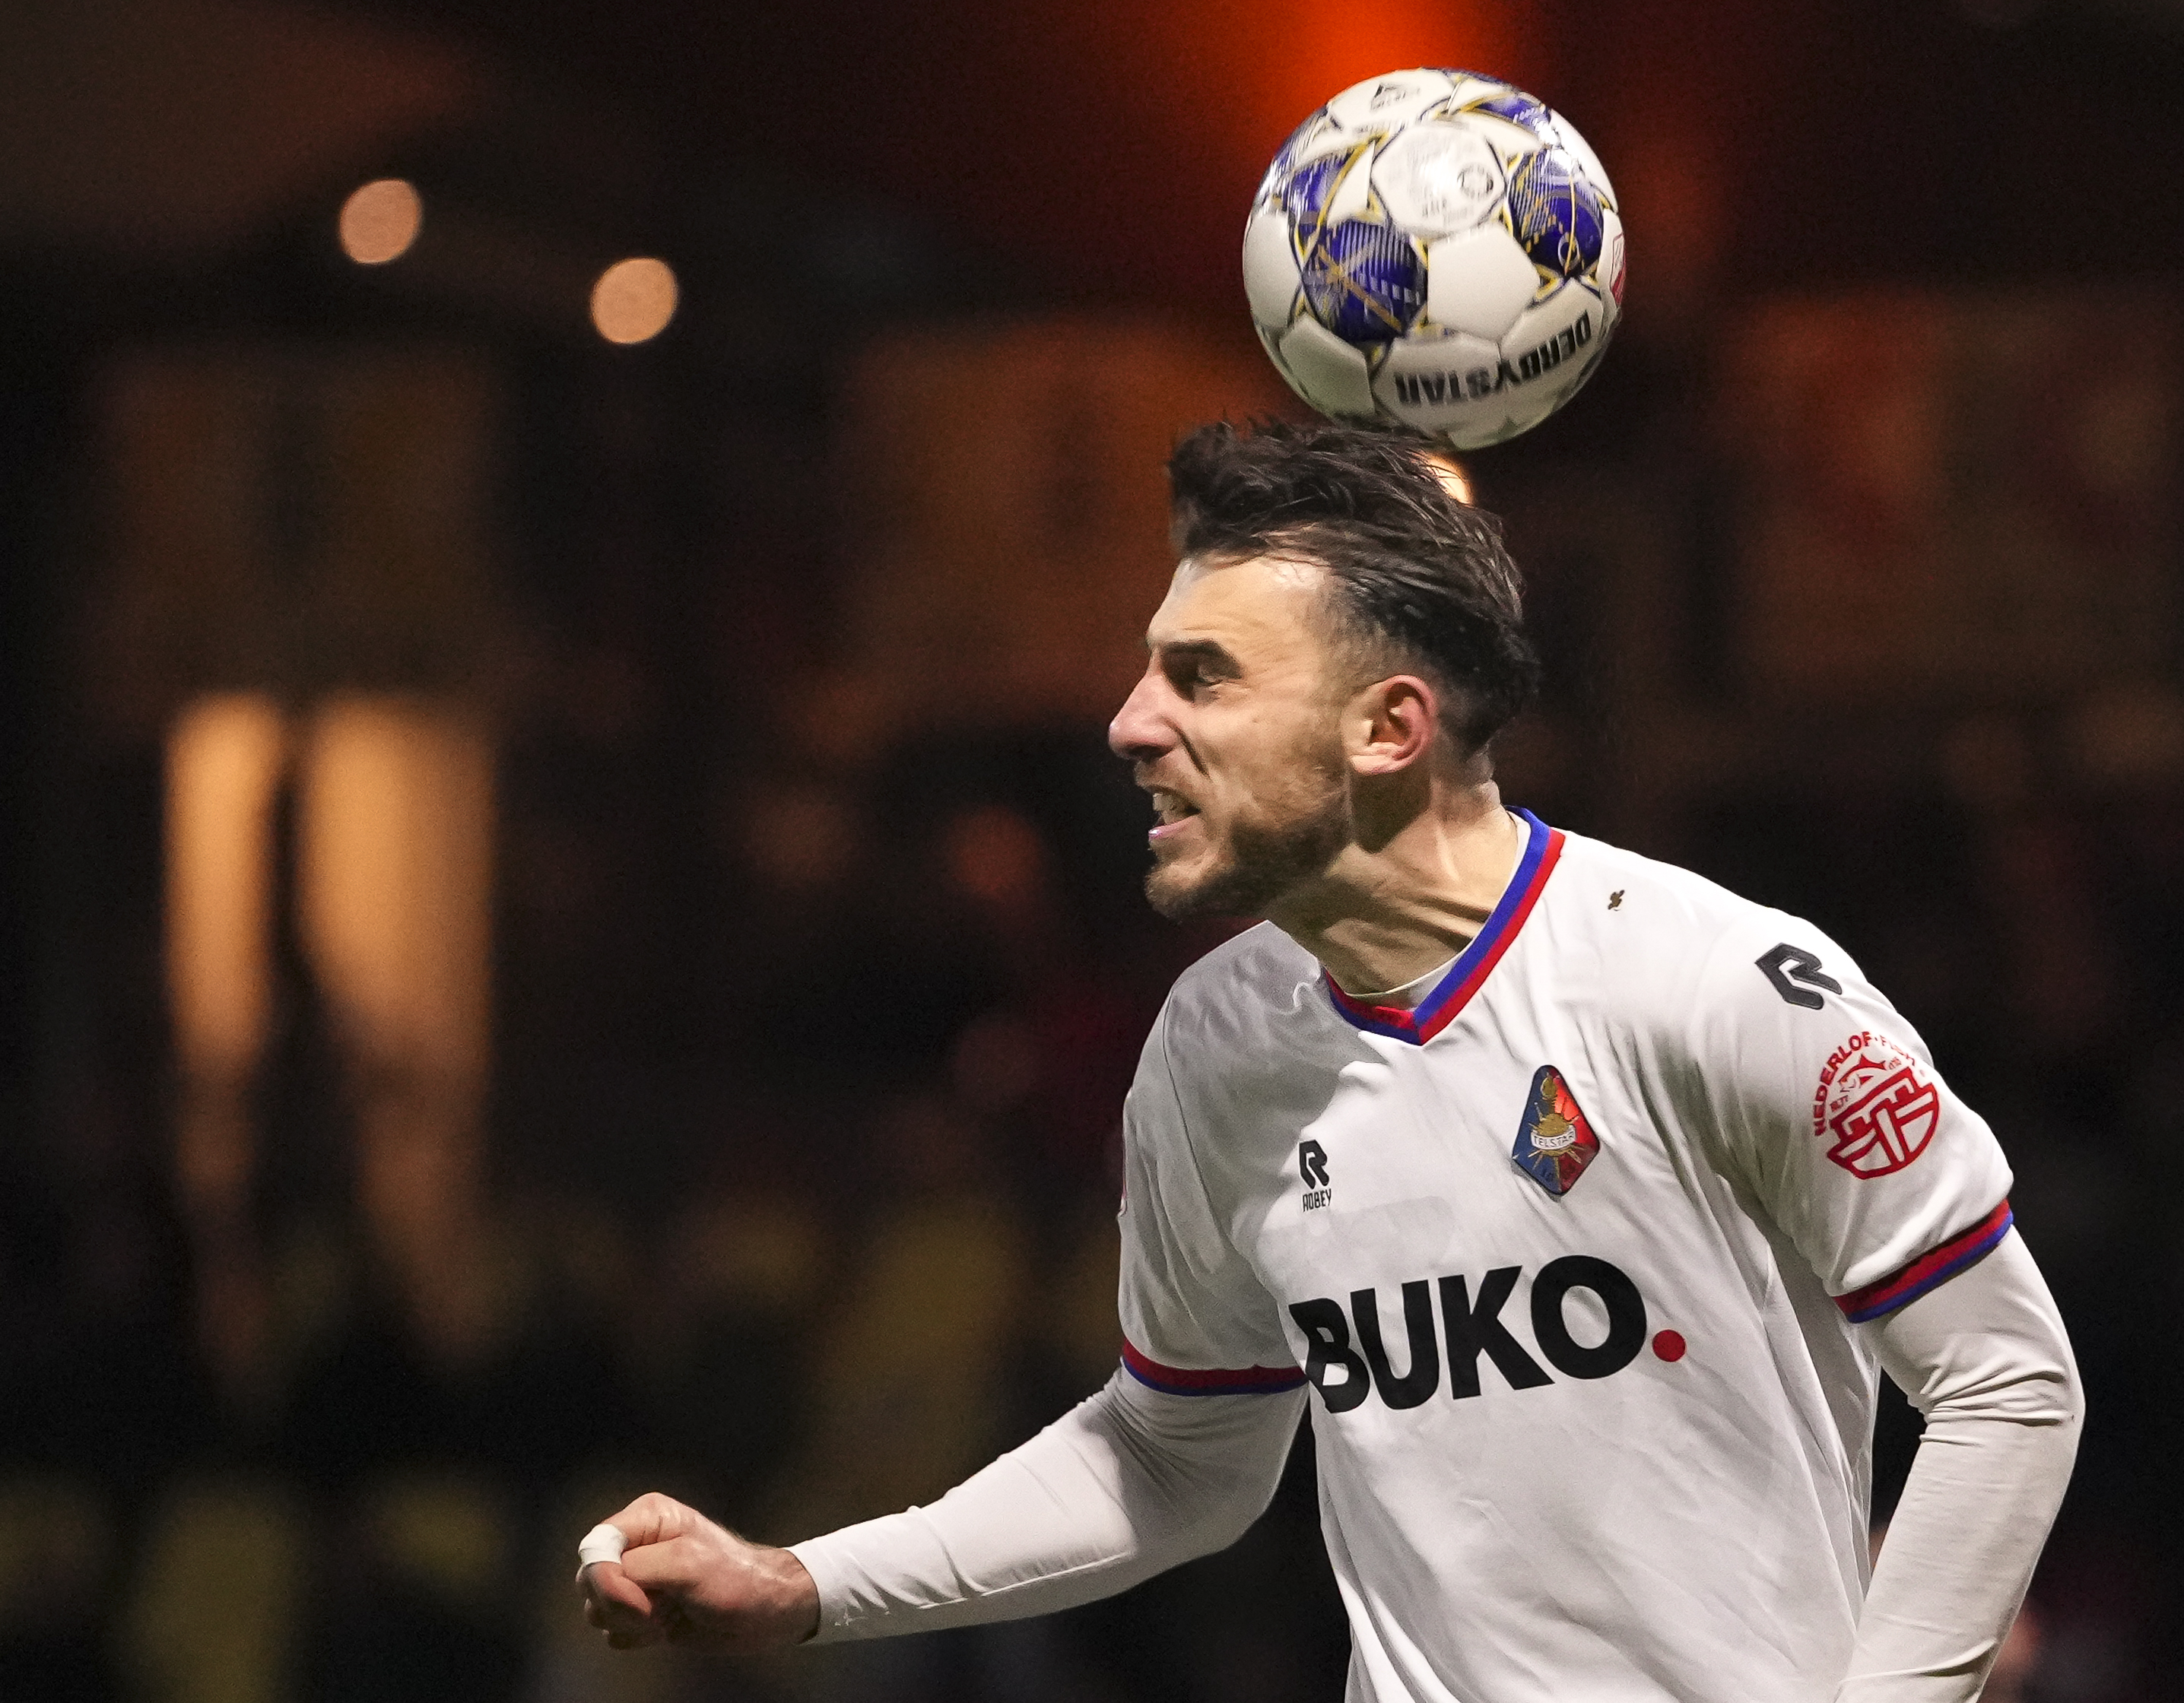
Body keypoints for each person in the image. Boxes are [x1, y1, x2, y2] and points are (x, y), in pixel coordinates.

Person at [579, 421, 2084, 1702]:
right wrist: (802, 1580)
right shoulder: (1215, 1048)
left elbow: (2007, 1377)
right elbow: (1179, 1460)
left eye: (1205, 676)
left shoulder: (1708, 983)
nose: (1130, 723)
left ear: (1388, 725)